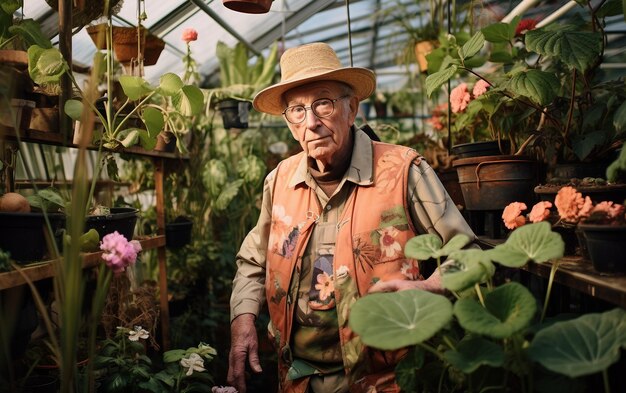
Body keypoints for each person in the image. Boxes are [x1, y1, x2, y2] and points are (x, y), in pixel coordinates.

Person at [227, 42, 476, 393]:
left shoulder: (403, 170)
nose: (311, 122)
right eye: (297, 110)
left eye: (323, 103)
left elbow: (469, 253)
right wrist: (243, 321)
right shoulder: (279, 181)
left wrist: (429, 287)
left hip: (386, 382)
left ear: (352, 108)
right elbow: (253, 260)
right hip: (296, 380)